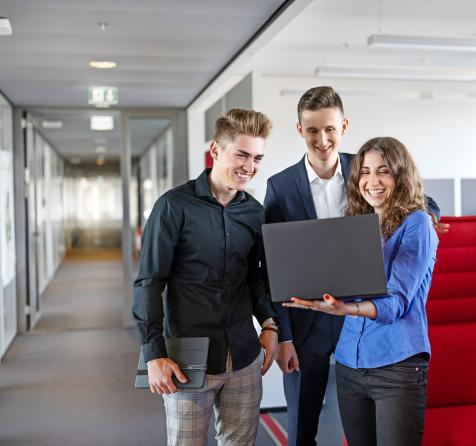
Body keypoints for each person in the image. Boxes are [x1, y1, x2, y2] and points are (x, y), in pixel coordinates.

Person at [263, 86, 443, 446]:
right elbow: (273, 265)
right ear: (300, 130)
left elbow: (421, 201)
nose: (323, 139)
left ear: (343, 126)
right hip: (309, 324)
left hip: (359, 316)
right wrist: (283, 335)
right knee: (301, 428)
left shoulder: (363, 169)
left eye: (330, 129)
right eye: (313, 130)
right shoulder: (280, 186)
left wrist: (426, 223)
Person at [133, 108, 279, 446]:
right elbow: (150, 282)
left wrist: (270, 324)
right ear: (215, 150)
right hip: (186, 356)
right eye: (241, 154)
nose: (250, 166)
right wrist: (153, 354)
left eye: (257, 157)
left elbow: (255, 279)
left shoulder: (254, 213)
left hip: (243, 355)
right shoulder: (173, 206)